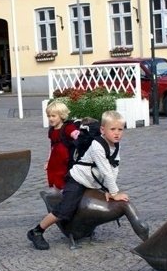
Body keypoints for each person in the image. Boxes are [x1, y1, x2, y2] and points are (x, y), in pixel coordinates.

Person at [27, 110, 128, 250]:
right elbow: (106, 171)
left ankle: (84, 227)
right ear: (102, 130)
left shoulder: (116, 145)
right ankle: (37, 231)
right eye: (113, 129)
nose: (117, 133)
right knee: (65, 209)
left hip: (93, 182)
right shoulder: (97, 146)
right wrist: (115, 193)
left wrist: (109, 191)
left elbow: (114, 167)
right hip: (78, 179)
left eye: (120, 129)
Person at [45, 100, 78, 191]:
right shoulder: (52, 130)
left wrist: (77, 135)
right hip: (55, 160)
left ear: (61, 115)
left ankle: (65, 193)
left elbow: (77, 136)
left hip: (65, 160)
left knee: (64, 177)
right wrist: (48, 160)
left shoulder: (67, 127)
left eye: (53, 116)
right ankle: (57, 193)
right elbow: (52, 146)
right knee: (54, 177)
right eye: (49, 116)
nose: (50, 118)